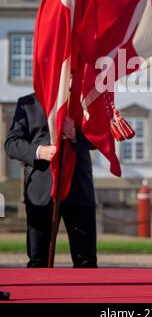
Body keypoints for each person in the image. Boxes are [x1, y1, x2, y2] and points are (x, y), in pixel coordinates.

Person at [4, 93, 97, 268]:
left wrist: (75, 134)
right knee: (38, 261)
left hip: (78, 189)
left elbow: (100, 138)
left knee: (86, 261)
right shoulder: (28, 103)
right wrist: (39, 151)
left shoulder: (83, 101)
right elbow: (11, 144)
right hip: (40, 190)